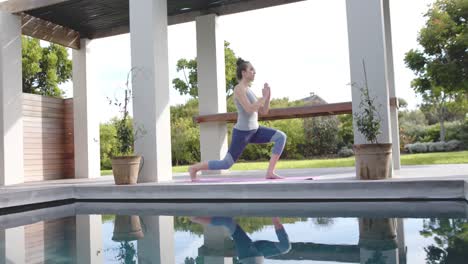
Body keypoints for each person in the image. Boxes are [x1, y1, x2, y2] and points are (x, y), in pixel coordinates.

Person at [189, 58, 287, 182]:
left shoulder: (249, 90)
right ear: (243, 73)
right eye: (251, 69)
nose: (254, 72)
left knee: (281, 137)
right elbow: (249, 109)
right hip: (242, 133)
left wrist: (267, 99)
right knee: (226, 163)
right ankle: (194, 168)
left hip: (255, 131)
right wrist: (263, 97)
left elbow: (263, 111)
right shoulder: (238, 89)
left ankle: (270, 172)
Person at [190, 216, 291, 264]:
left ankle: (195, 218)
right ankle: (274, 216)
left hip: (247, 255)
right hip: (259, 254)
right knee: (285, 247)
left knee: (228, 222)